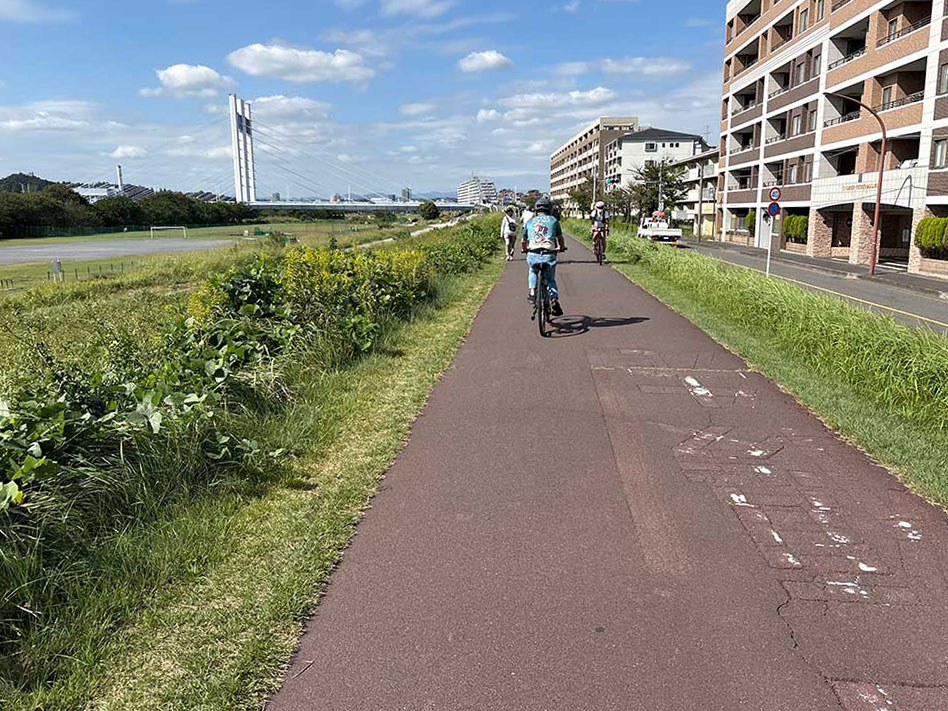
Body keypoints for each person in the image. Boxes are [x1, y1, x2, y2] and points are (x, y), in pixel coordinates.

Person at [521, 196, 567, 317]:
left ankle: (532, 292)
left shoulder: (530, 222)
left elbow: (523, 240)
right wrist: (561, 247)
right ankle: (553, 299)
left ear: (536, 210)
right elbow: (560, 238)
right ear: (550, 209)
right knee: (550, 279)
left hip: (533, 254)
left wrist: (525, 249)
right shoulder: (553, 220)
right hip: (549, 254)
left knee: (532, 270)